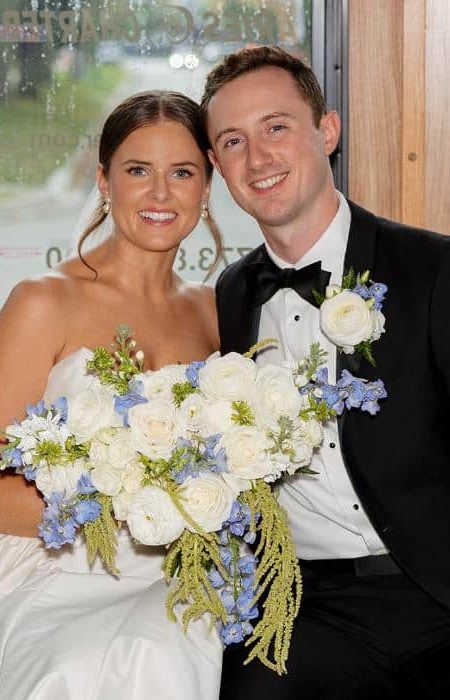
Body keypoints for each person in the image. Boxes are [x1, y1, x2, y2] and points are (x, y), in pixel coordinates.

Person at [201, 45, 450, 699]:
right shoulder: (231, 295)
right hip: (311, 605)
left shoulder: (433, 270)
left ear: (328, 131)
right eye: (233, 141)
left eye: (276, 127)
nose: (258, 159)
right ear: (217, 166)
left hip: (439, 589)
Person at [0, 90, 223, 699]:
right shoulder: (42, 302)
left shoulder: (214, 313)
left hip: (183, 571)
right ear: (103, 180)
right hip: (59, 565)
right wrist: (130, 509)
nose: (160, 194)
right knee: (111, 662)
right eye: (136, 171)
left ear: (206, 189)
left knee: (173, 643)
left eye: (182, 173)